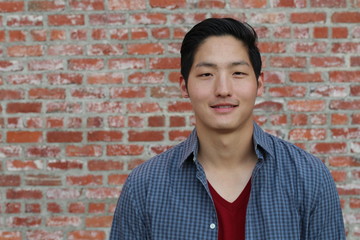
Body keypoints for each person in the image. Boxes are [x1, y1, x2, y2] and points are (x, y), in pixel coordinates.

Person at [109, 18, 345, 240]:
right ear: (184, 86)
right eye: (206, 74)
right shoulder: (145, 186)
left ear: (259, 84)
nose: (223, 89)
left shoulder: (309, 178)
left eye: (238, 73)